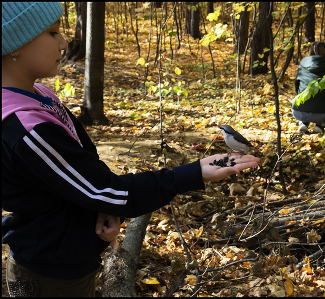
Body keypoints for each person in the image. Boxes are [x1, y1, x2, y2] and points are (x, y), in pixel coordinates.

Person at [2, 3, 260, 297]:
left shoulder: (40, 95)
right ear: (15, 45)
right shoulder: (24, 126)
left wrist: (102, 206)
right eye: (52, 33)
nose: (64, 42)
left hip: (72, 258)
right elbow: (101, 187)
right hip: (49, 273)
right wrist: (191, 173)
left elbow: (84, 168)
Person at [292, 41, 325, 133]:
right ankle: (320, 126)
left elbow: (297, 88)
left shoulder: (302, 65)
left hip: (297, 112)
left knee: (303, 98)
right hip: (320, 115)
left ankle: (303, 123)